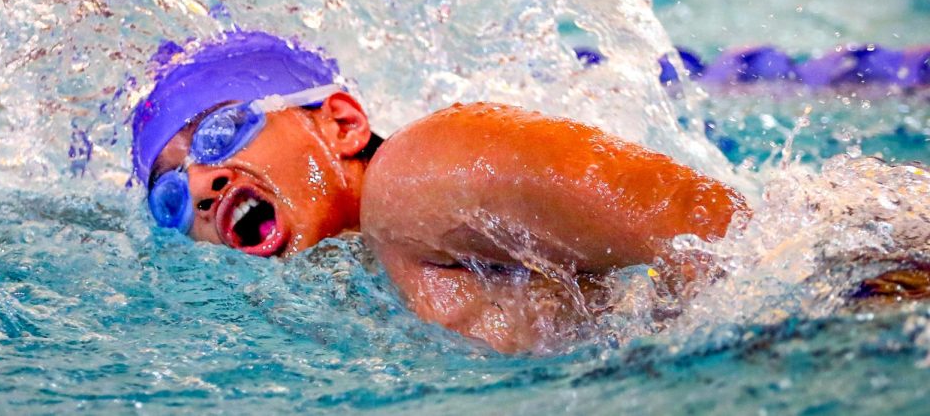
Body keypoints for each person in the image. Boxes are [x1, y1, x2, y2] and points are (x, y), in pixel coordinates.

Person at [130, 30, 751, 353]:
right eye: (170, 197)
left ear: (342, 125)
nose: (201, 187)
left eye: (220, 133)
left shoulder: (419, 174)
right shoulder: (360, 289)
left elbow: (725, 233)